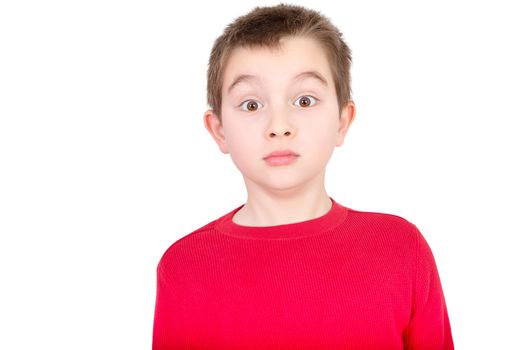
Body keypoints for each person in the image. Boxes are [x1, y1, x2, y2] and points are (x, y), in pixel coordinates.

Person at [152, 3, 454, 349]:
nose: (279, 127)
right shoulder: (185, 267)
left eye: (305, 101)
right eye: (252, 104)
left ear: (342, 121)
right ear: (218, 130)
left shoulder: (402, 249)